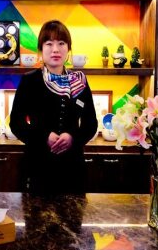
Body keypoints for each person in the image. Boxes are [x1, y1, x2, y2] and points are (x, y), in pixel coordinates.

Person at [9, 20, 97, 194]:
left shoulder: (79, 81)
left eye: (61, 43)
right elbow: (16, 123)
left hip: (73, 169)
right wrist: (44, 137)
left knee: (74, 211)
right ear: (41, 49)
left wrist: (72, 138)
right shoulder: (30, 81)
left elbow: (91, 123)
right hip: (37, 167)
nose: (55, 49)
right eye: (49, 44)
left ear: (68, 49)